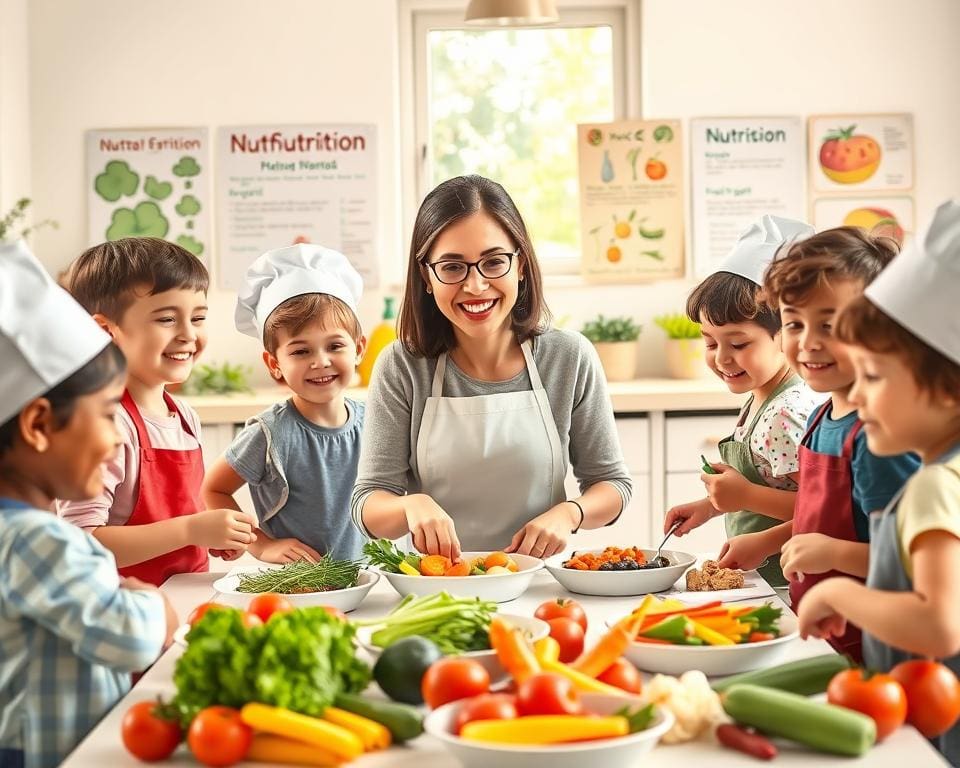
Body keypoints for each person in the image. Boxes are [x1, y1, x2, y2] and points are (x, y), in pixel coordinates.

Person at [351, 175, 631, 560]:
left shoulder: (568, 357)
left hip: (540, 582)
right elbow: (368, 502)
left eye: (493, 262)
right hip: (437, 585)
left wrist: (571, 512)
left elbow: (612, 485)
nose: (476, 286)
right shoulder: (402, 366)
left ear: (520, 265)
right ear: (427, 278)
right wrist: (409, 506)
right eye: (452, 267)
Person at [0, 240, 174, 768]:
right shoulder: (36, 538)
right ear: (38, 425)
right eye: (104, 414)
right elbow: (125, 638)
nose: (118, 436)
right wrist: (156, 609)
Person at [797, 201, 960, 763]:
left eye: (873, 376)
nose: (857, 395)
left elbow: (940, 624)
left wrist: (838, 590)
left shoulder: (936, 485)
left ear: (943, 388)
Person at [718, 227, 919, 659]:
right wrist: (770, 541)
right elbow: (822, 513)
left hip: (881, 645)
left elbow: (913, 561)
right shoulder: (820, 417)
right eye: (793, 323)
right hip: (827, 635)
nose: (808, 342)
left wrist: (832, 553)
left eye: (830, 324)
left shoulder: (880, 438)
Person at [57, 238, 255, 585]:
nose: (188, 334)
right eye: (166, 318)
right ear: (105, 332)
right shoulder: (106, 424)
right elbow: (81, 541)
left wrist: (212, 532)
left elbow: (179, 515)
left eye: (198, 317)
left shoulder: (183, 415)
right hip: (118, 609)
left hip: (181, 598)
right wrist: (190, 529)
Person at [664, 215, 821, 595]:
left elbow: (823, 509)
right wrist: (711, 506)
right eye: (710, 342)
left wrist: (751, 512)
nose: (721, 358)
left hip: (791, 583)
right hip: (769, 579)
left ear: (788, 332)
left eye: (738, 344)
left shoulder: (787, 413)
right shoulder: (761, 398)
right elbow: (770, 480)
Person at [202, 245, 368, 562]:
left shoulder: (377, 422)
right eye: (301, 351)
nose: (321, 362)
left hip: (372, 581)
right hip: (296, 585)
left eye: (335, 345)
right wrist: (261, 545)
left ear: (358, 348)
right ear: (273, 363)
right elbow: (213, 489)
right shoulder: (270, 433)